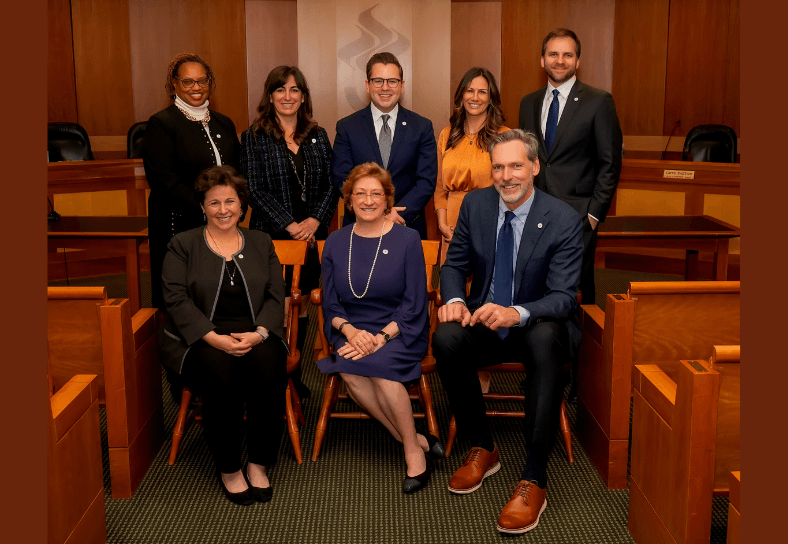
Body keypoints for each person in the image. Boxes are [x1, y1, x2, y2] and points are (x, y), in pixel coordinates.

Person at [432, 130, 583, 533]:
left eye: (516, 165)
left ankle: (534, 476)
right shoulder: (476, 205)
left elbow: (563, 298)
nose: (506, 176)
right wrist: (456, 300)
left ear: (534, 167)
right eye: (498, 167)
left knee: (545, 340)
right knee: (446, 339)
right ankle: (483, 446)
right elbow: (454, 265)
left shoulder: (563, 218)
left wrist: (516, 313)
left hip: (536, 323)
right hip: (486, 320)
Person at [159, 166, 287, 506]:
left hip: (256, 331)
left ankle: (259, 462)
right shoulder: (183, 244)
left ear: (242, 205)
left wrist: (260, 334)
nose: (223, 209)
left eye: (230, 201)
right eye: (214, 202)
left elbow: (276, 295)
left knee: (270, 368)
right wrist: (213, 337)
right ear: (202, 206)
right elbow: (175, 299)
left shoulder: (260, 241)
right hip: (201, 335)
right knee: (221, 373)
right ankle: (229, 468)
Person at [315, 162, 444, 494]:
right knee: (350, 370)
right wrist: (350, 332)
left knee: (383, 370)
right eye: (360, 193)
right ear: (349, 199)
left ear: (388, 199)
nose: (368, 200)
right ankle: (413, 439)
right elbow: (330, 304)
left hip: (400, 327)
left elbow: (414, 303)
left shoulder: (408, 239)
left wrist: (383, 336)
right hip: (352, 328)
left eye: (376, 193)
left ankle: (412, 451)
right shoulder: (335, 242)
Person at [518, 28, 623, 402]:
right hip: (534, 217)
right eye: (553, 54)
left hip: (578, 220)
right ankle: (540, 370)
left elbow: (610, 163)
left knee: (576, 297)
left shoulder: (598, 101)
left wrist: (593, 216)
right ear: (542, 60)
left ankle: (581, 377)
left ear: (578, 60)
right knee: (534, 292)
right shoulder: (529, 103)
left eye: (567, 55)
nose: (559, 61)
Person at [143, 52, 240, 402]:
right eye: (188, 81)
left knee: (218, 298)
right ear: (174, 84)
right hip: (179, 230)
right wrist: (210, 210)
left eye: (202, 81)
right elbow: (164, 181)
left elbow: (237, 174)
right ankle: (182, 376)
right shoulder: (161, 124)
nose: (196, 87)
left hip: (223, 229)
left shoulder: (224, 123)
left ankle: (222, 368)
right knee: (182, 302)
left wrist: (231, 208)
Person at [240, 66, 338, 399]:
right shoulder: (253, 137)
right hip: (272, 238)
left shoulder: (317, 135)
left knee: (303, 303)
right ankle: (274, 374)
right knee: (278, 305)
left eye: (295, 89)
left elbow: (332, 184)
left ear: (303, 96)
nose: (287, 96)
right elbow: (253, 189)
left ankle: (293, 375)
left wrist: (314, 221)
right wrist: (290, 224)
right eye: (280, 89)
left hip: (311, 237)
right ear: (270, 96)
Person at [332, 52, 437, 239]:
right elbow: (342, 178)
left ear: (402, 86)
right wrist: (373, 210)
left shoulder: (421, 127)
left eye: (392, 81)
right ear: (368, 85)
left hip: (406, 225)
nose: (385, 87)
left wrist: (396, 214)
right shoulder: (347, 127)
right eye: (378, 81)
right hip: (360, 226)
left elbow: (426, 181)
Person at [434, 67, 509, 258]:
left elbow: (510, 187)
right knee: (452, 275)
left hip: (489, 221)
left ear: (491, 98)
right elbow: (440, 188)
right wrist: (442, 224)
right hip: (451, 226)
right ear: (461, 95)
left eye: (482, 92)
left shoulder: (504, 137)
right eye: (470, 90)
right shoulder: (447, 134)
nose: (475, 97)